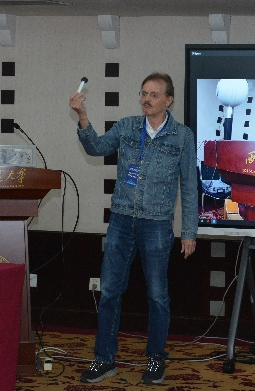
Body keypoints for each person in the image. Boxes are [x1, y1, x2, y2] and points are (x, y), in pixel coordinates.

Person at [69, 72, 198, 385]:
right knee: (110, 291)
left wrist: (189, 232)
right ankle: (104, 359)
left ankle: (155, 359)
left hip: (157, 224)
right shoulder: (127, 126)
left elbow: (189, 186)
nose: (146, 100)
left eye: (154, 95)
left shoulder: (182, 136)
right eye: (143, 93)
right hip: (122, 220)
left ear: (168, 100)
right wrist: (83, 116)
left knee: (157, 296)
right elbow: (97, 148)